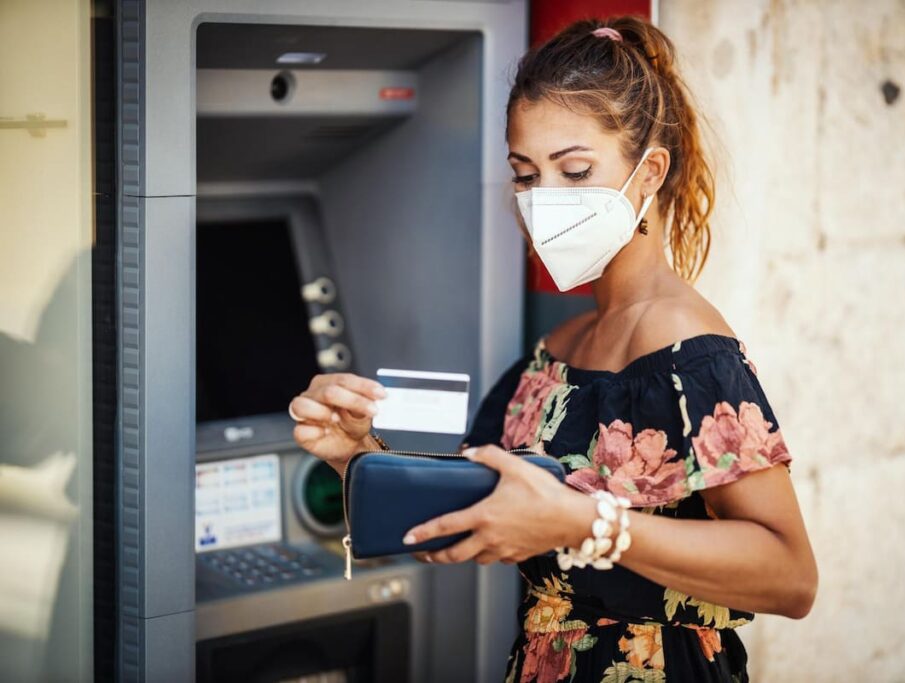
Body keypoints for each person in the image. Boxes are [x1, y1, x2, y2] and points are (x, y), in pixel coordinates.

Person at [289, 15, 817, 682]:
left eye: (574, 170)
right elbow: (459, 522)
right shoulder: (555, 355)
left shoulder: (694, 354)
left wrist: (586, 523)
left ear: (649, 172)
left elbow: (792, 576)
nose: (543, 202)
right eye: (524, 174)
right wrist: (354, 453)